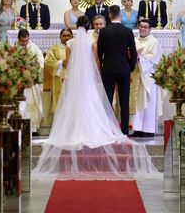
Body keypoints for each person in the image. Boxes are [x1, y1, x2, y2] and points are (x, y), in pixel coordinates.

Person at [32, 15, 157, 180]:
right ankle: (96, 129)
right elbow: (97, 61)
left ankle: (72, 131)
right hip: (89, 78)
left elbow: (68, 63)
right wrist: (97, 76)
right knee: (91, 104)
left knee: (74, 104)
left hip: (75, 78)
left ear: (77, 27)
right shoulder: (92, 43)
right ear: (90, 25)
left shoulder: (70, 43)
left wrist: (69, 75)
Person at [97, 5, 138, 135]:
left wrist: (103, 65)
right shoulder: (127, 31)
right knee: (124, 102)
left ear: (109, 15)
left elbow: (99, 52)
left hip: (108, 69)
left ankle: (107, 130)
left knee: (107, 101)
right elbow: (133, 51)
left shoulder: (104, 31)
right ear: (120, 15)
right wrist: (130, 66)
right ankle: (124, 131)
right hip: (123, 69)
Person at [130, 19, 162, 138]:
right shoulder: (135, 40)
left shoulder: (154, 41)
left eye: (145, 27)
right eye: (141, 26)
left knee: (148, 102)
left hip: (148, 76)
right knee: (137, 102)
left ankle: (148, 129)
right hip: (136, 74)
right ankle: (137, 128)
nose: (143, 28)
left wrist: (140, 57)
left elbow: (155, 58)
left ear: (150, 29)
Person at [16, 29, 44, 134]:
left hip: (31, 82)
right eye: (22, 41)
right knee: (20, 105)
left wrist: (34, 67)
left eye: (27, 41)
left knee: (32, 103)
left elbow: (41, 61)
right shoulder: (13, 48)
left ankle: (33, 128)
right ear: (18, 39)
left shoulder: (34, 47)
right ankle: (19, 128)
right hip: (20, 82)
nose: (25, 43)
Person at [44, 28, 73, 115]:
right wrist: (60, 63)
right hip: (59, 78)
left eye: (68, 36)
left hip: (73, 77)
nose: (66, 38)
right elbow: (48, 61)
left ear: (72, 36)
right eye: (64, 36)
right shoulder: (55, 48)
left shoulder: (75, 47)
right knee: (60, 97)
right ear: (60, 37)